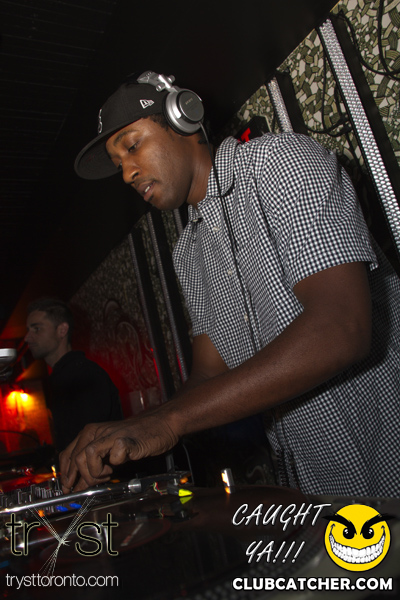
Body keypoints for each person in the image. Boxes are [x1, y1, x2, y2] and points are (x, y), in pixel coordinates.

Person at [60, 71, 400, 497]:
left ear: (183, 118)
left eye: (132, 146)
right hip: (321, 485)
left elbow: (341, 327)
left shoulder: (279, 162)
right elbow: (207, 373)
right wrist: (134, 428)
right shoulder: (188, 252)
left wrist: (169, 420)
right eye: (119, 166)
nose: (127, 173)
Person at [25, 298, 123, 452]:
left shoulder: (84, 375)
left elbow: (90, 445)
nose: (27, 338)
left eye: (36, 329)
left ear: (62, 330)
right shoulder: (60, 377)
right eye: (28, 330)